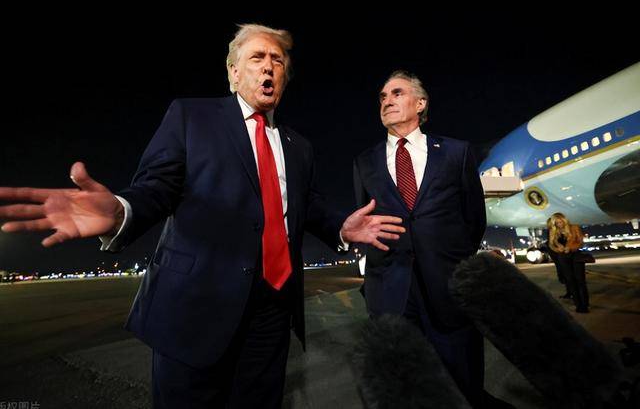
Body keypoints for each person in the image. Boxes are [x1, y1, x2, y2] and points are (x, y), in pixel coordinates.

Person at [0, 24, 405, 408]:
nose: (268, 66)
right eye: (257, 57)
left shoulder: (299, 146)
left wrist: (340, 227)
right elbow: (156, 187)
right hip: (196, 308)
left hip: (271, 312)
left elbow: (308, 205)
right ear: (233, 73)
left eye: (278, 60)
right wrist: (122, 210)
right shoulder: (191, 116)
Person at [353, 71, 487, 407]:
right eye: (383, 97)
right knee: (403, 388)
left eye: (397, 93)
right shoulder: (364, 162)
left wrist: (448, 260)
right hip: (391, 292)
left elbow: (474, 219)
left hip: (448, 287)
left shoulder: (456, 152)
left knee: (462, 384)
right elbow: (366, 221)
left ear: (421, 103)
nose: (387, 101)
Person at [547, 212, 589, 313]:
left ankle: (585, 305)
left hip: (576, 256)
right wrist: (558, 249)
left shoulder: (574, 227)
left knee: (580, 281)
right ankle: (578, 305)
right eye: (557, 223)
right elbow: (551, 244)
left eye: (560, 222)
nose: (559, 224)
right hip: (563, 258)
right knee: (570, 281)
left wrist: (570, 248)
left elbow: (580, 242)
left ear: (564, 220)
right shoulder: (553, 231)